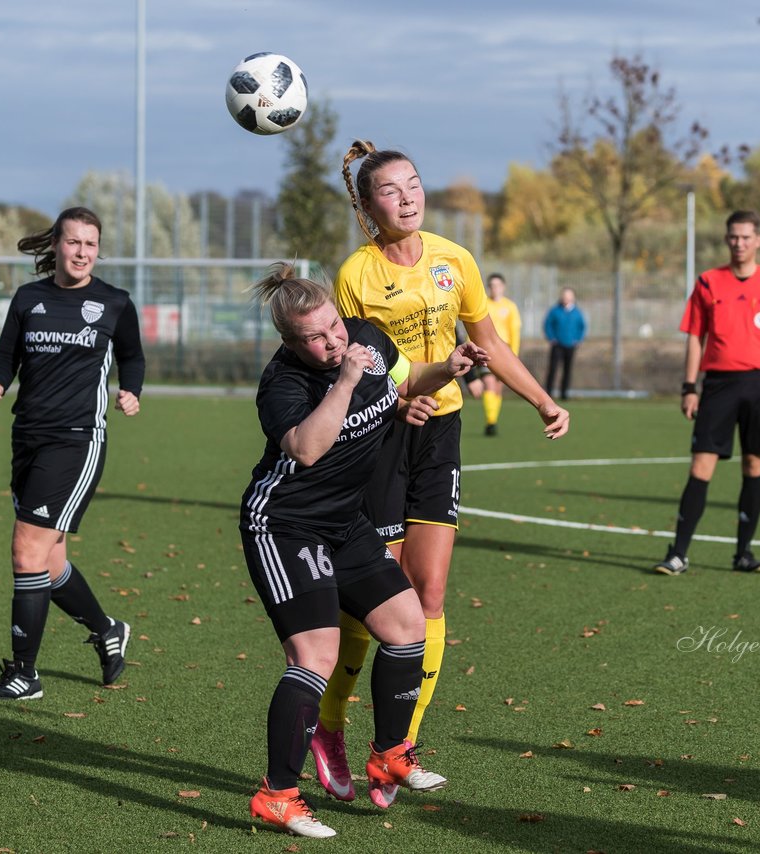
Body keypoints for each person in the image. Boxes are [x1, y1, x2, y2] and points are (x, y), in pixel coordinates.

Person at [310, 140, 569, 809]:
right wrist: (397, 399)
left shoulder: (456, 260)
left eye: (414, 184)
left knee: (430, 595)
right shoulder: (355, 275)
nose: (408, 196)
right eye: (392, 190)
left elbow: (490, 343)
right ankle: (329, 724)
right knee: (377, 599)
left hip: (442, 434)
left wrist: (541, 399)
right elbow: (350, 369)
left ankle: (395, 751)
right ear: (369, 207)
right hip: (380, 437)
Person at [242, 264, 484, 837]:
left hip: (345, 523)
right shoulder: (284, 383)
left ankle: (390, 753)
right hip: (285, 526)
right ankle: (277, 793)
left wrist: (443, 371)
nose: (333, 342)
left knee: (407, 625)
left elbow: (403, 381)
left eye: (333, 327)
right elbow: (306, 447)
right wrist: (346, 380)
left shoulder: (366, 336)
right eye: (316, 338)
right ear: (289, 343)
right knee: (316, 657)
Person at [0, 206, 144, 700]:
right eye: (74, 242)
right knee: (48, 564)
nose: (82, 253)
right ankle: (107, 628)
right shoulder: (29, 298)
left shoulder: (114, 302)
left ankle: (24, 674)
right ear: (56, 245)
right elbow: (7, 354)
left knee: (26, 550)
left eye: (91, 244)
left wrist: (131, 390)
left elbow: (132, 356)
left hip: (77, 440)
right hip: (26, 435)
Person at [654, 210, 760, 576]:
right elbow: (693, 338)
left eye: (746, 237)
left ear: (759, 240)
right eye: (734, 237)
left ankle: (743, 553)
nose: (739, 244)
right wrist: (690, 387)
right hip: (718, 385)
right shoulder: (707, 283)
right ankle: (679, 553)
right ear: (726, 239)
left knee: (754, 465)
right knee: (701, 466)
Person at [479, 272, 522, 435]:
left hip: (504, 353)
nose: (494, 288)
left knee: (498, 388)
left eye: (497, 285)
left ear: (503, 287)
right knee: (489, 384)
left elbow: (515, 331)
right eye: (491, 285)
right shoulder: (483, 304)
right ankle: (490, 422)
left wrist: (514, 355)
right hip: (486, 352)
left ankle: (493, 419)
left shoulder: (510, 306)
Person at [543, 287, 586, 400]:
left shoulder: (577, 312)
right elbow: (548, 324)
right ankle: (548, 394)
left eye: (568, 296)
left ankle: (564, 394)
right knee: (553, 369)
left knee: (567, 370)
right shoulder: (555, 310)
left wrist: (578, 339)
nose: (566, 298)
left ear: (573, 298)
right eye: (564, 296)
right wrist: (551, 338)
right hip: (557, 345)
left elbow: (582, 327)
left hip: (570, 345)